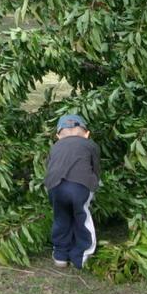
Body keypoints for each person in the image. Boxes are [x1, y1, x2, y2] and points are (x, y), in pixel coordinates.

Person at [44, 113, 100, 270]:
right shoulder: (90, 145)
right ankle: (82, 256)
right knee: (82, 217)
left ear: (58, 136)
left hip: (54, 186)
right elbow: (95, 168)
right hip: (79, 186)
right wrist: (95, 184)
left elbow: (49, 167)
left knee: (61, 218)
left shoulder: (54, 147)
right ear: (87, 134)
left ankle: (60, 256)